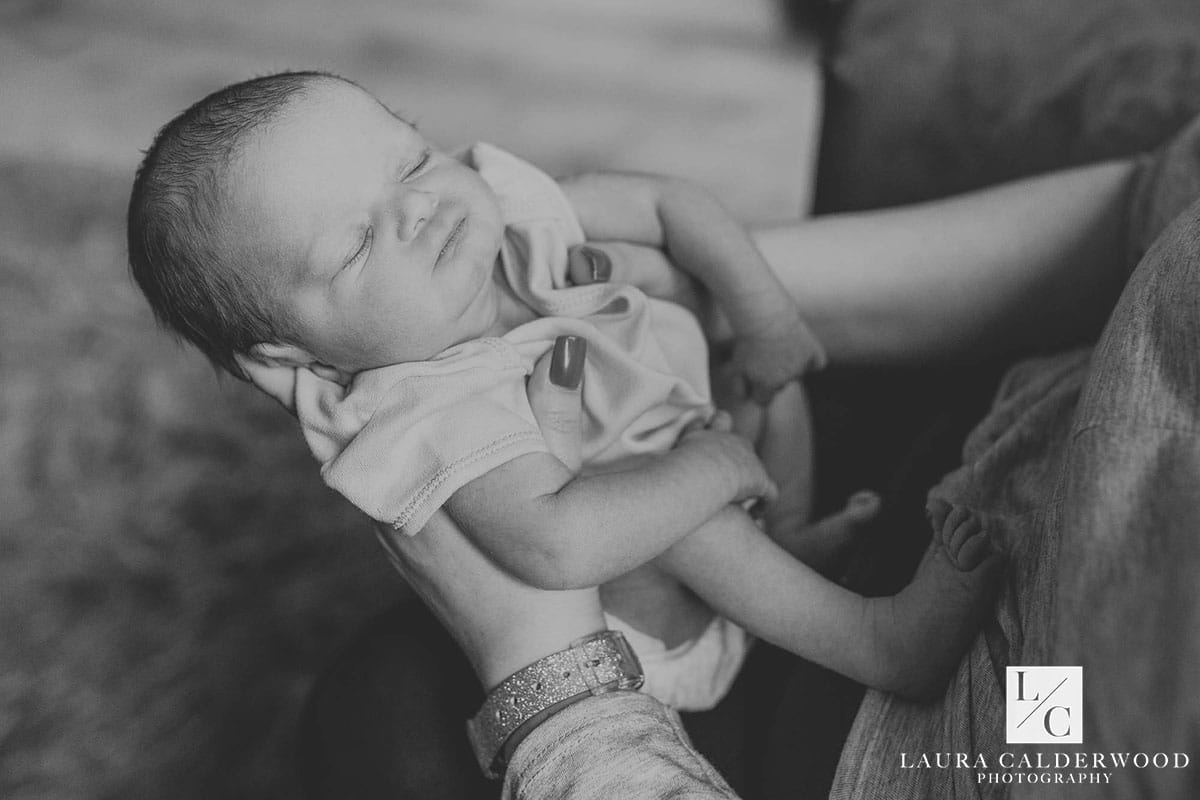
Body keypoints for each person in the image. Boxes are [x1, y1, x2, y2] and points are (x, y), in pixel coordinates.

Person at [127, 68, 1002, 723]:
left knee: (767, 377)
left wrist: (763, 311)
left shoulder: (507, 206)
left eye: (410, 159)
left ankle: (791, 554)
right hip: (650, 616)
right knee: (690, 517)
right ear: (295, 352)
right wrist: (711, 463)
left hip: (704, 457)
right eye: (356, 245)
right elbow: (561, 546)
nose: (419, 208)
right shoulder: (429, 413)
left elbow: (666, 205)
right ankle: (884, 643)